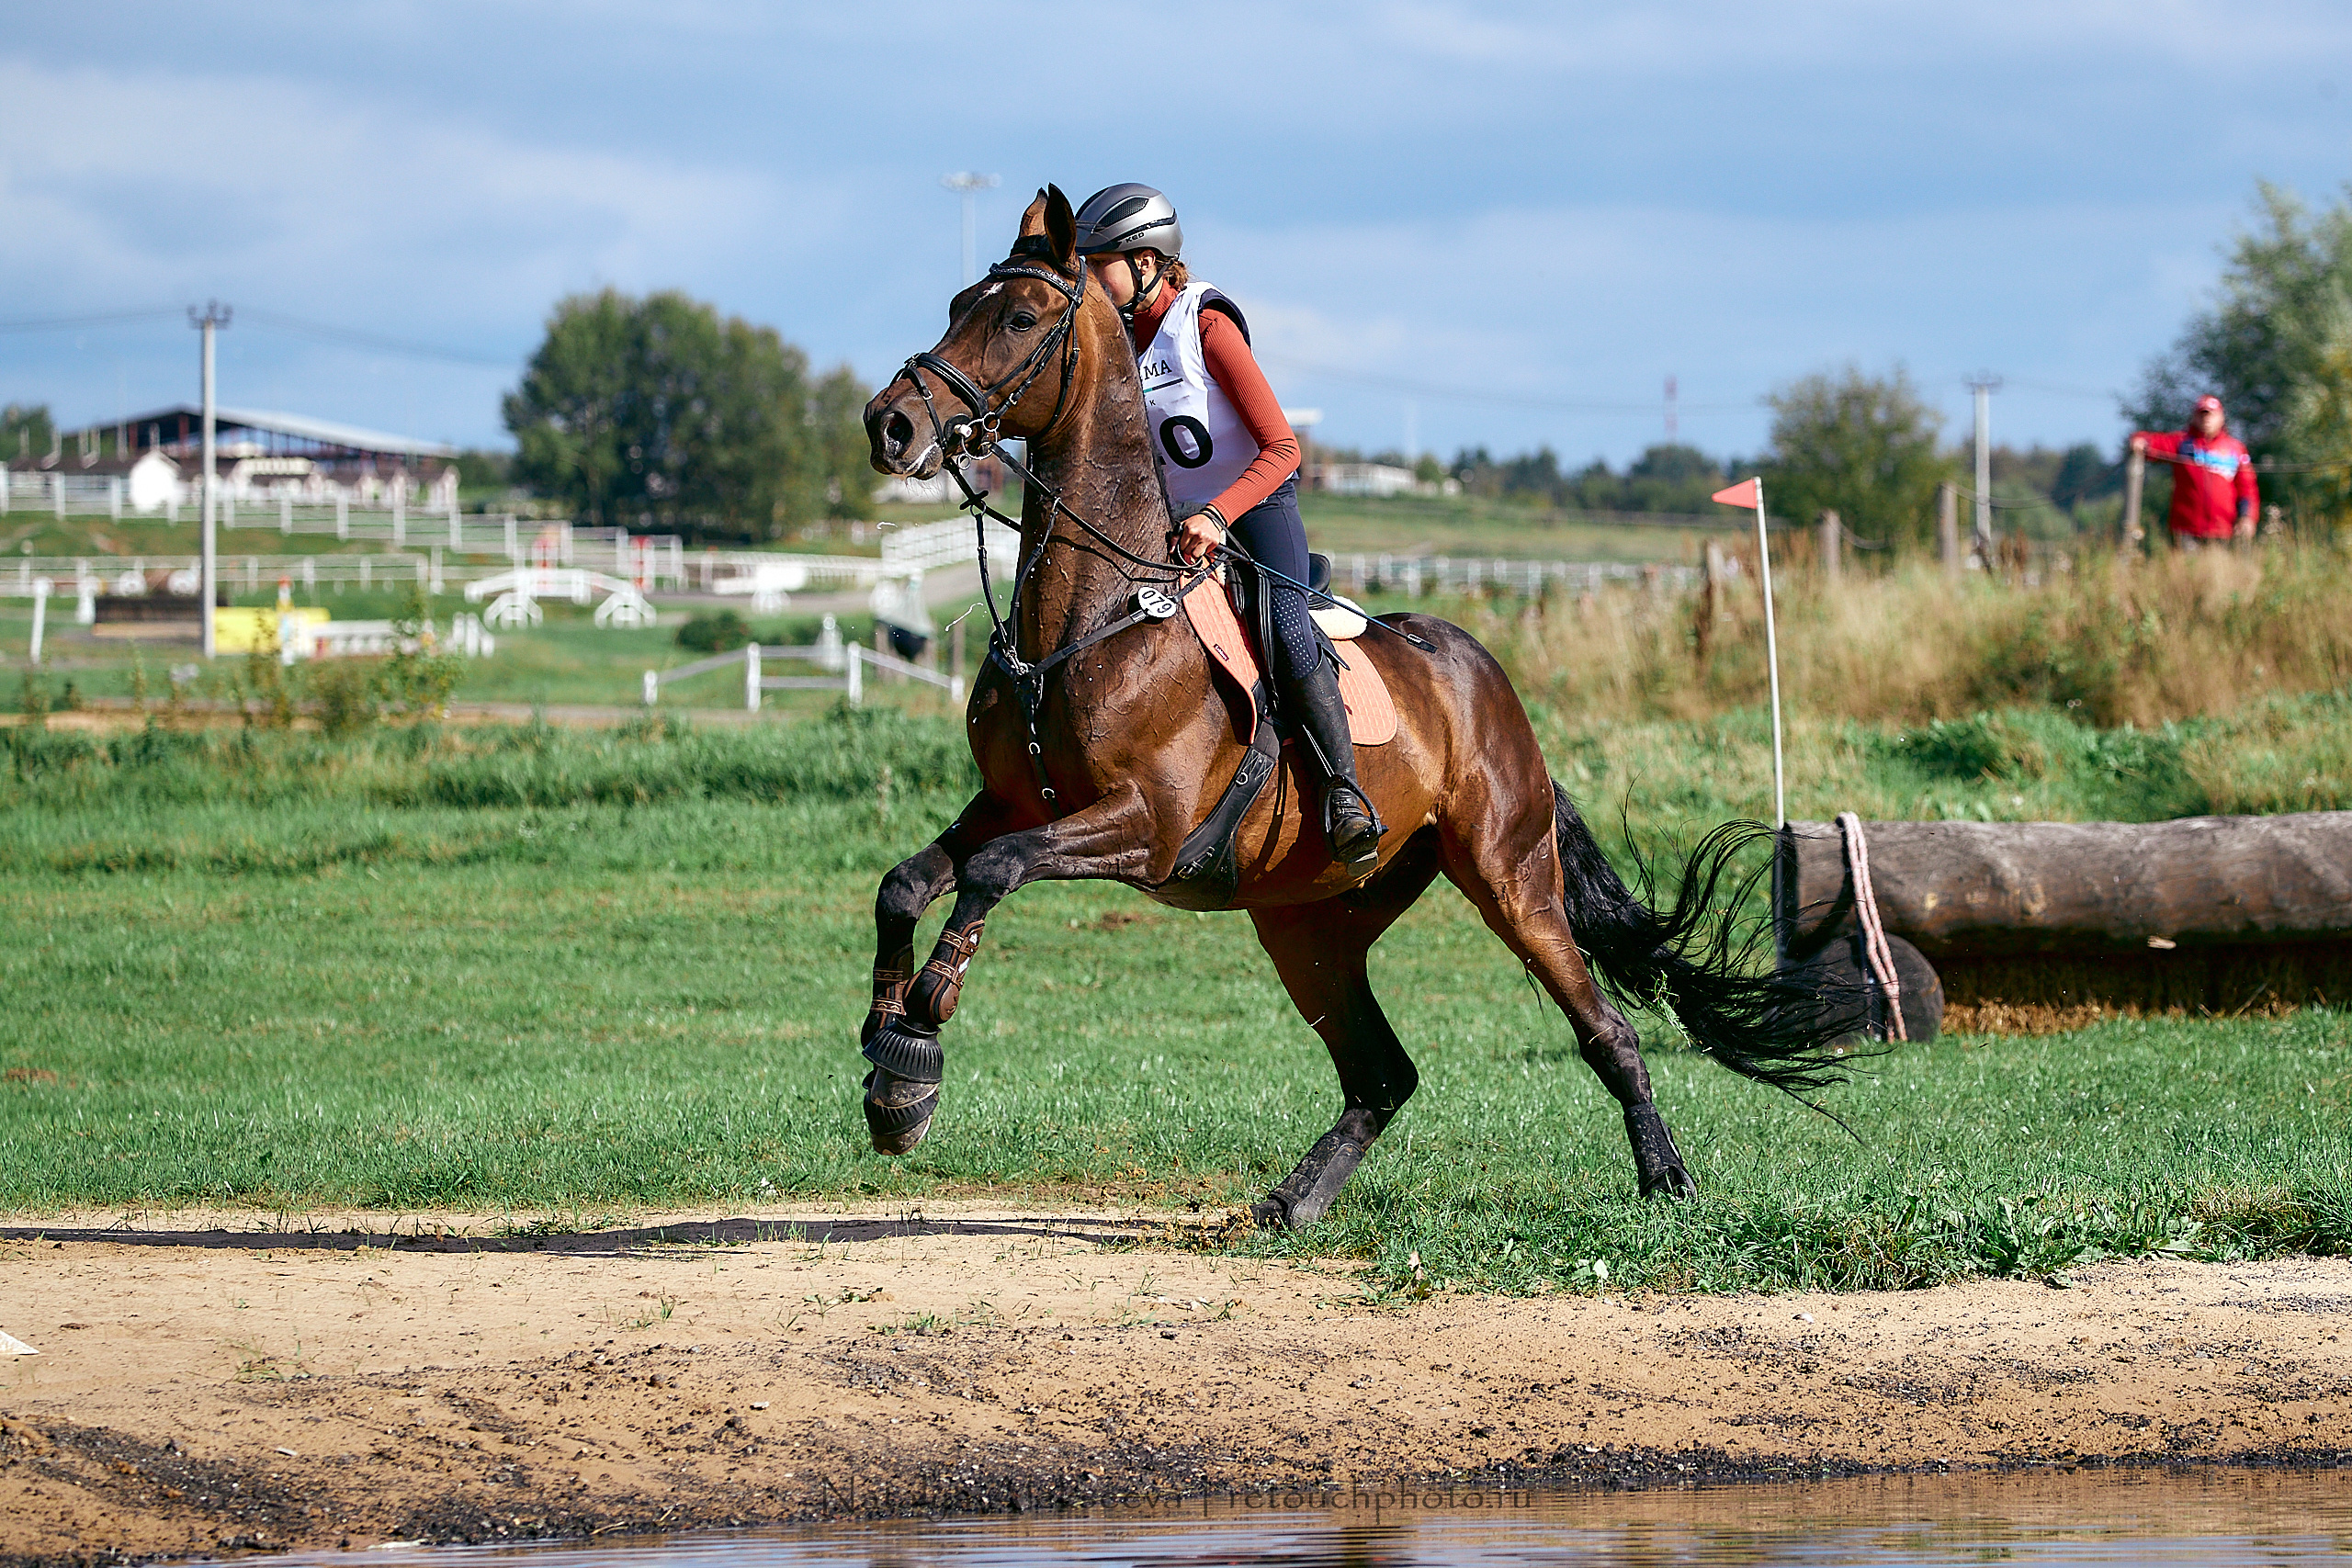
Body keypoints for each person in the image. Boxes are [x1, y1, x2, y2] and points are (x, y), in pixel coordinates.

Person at [1072, 183, 1383, 873]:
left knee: (1283, 621)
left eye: (1102, 263)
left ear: (1148, 261)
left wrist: (1218, 514)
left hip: (1256, 511)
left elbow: (1283, 448)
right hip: (1173, 527)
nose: (1090, 279)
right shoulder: (1115, 339)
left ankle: (1345, 792)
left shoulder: (1205, 326)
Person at [2131, 395, 2258, 549]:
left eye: (2211, 414)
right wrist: (2140, 441)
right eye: (2202, 414)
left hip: (2223, 530)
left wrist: (2247, 517)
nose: (2206, 419)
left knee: (2219, 572)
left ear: (2221, 417)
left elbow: (2247, 489)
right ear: (2194, 417)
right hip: (2187, 529)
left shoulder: (2236, 449)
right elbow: (2152, 442)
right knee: (2187, 571)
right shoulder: (2182, 443)